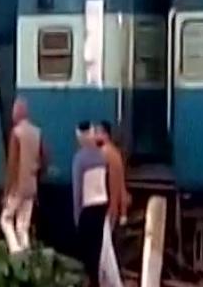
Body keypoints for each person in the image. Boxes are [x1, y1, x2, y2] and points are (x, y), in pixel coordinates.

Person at [72, 121, 121, 287]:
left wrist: (77, 216)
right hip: (102, 206)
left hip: (88, 209)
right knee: (102, 250)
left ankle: (97, 282)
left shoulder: (80, 158)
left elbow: (78, 190)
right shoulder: (102, 156)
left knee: (91, 254)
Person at [0, 98, 44, 254]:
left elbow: (12, 165)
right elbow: (45, 158)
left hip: (18, 186)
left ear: (18, 113)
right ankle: (27, 254)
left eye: (14, 111)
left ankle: (16, 252)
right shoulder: (37, 132)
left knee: (5, 219)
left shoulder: (16, 133)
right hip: (31, 186)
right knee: (22, 226)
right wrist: (36, 175)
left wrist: (7, 191)